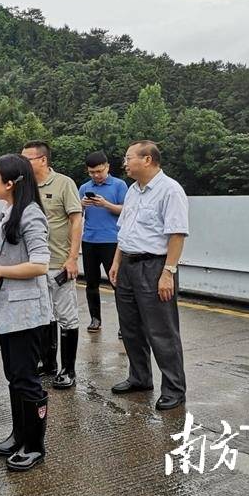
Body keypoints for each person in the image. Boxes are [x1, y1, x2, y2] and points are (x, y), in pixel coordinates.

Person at [0, 154, 51, 472]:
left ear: (10, 183)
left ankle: (34, 445)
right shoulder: (8, 212)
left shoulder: (30, 215)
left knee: (26, 378)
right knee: (14, 376)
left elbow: (40, 264)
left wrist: (0, 271)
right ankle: (19, 434)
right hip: (9, 310)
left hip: (26, 312)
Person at [109, 140, 189, 411]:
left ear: (147, 160)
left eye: (129, 157)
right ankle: (140, 377)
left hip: (154, 266)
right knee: (130, 328)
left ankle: (174, 389)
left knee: (162, 331)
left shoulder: (170, 190)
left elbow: (177, 234)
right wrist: (117, 262)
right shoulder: (132, 191)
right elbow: (125, 230)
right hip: (129, 266)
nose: (125, 163)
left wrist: (168, 272)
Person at [21, 141, 83, 390]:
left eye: (28, 159)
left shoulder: (64, 184)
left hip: (59, 262)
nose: (23, 163)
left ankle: (68, 369)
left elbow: (76, 221)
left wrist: (72, 257)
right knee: (43, 315)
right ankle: (47, 363)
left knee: (66, 315)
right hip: (36, 264)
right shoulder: (25, 187)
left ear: (43, 160)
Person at [78, 151, 128, 336]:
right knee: (91, 283)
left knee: (117, 283)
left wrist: (106, 204)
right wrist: (82, 205)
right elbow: (76, 214)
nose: (96, 176)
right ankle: (95, 318)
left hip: (112, 241)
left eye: (99, 171)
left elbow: (126, 210)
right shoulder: (84, 188)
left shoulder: (119, 185)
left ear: (107, 167)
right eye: (92, 172)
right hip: (89, 240)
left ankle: (125, 324)